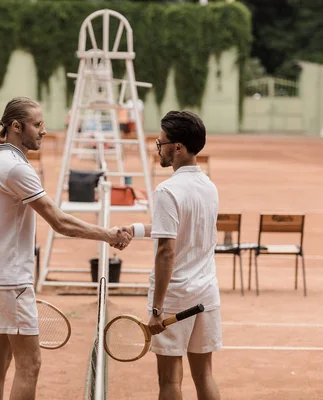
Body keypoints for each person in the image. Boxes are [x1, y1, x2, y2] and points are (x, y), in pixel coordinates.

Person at [0, 96, 132, 400]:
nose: (43, 131)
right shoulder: (16, 169)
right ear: (17, 126)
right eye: (37, 124)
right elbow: (60, 221)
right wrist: (109, 235)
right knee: (29, 364)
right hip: (11, 280)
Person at [123, 110, 221, 400]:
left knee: (169, 381)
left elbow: (166, 250)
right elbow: (181, 228)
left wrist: (156, 310)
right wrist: (137, 229)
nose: (158, 148)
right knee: (204, 376)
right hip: (206, 294)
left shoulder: (167, 190)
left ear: (177, 147)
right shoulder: (209, 186)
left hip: (175, 298)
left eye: (161, 142)